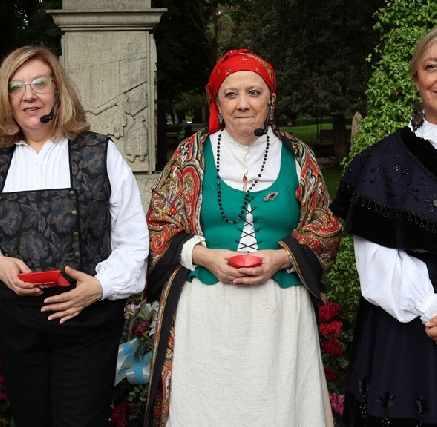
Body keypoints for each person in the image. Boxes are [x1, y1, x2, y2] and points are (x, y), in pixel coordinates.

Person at [0, 45, 149, 427]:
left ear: (58, 91)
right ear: (7, 98)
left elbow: (133, 237)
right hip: (18, 325)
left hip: (87, 323)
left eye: (39, 83)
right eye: (17, 86)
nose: (29, 95)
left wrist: (99, 286)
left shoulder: (99, 153)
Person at [144, 48, 342, 426]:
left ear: (271, 100)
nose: (243, 104)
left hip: (280, 314)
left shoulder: (298, 155)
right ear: (216, 102)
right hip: (206, 311)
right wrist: (204, 256)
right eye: (230, 94)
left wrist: (281, 259)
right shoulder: (191, 154)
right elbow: (160, 222)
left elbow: (325, 225)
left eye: (254, 92)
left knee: (278, 407)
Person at [331, 26, 437, 426]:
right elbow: (374, 258)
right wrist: (432, 309)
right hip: (411, 329)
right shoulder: (383, 162)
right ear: (416, 79)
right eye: (431, 66)